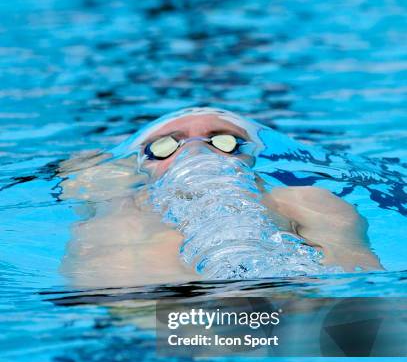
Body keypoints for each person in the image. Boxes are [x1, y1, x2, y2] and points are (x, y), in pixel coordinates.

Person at [60, 108, 382, 288]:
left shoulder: (306, 201)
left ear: (251, 157)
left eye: (224, 141)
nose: (196, 150)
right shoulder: (117, 212)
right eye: (165, 145)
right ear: (142, 166)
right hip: (159, 329)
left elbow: (360, 287)